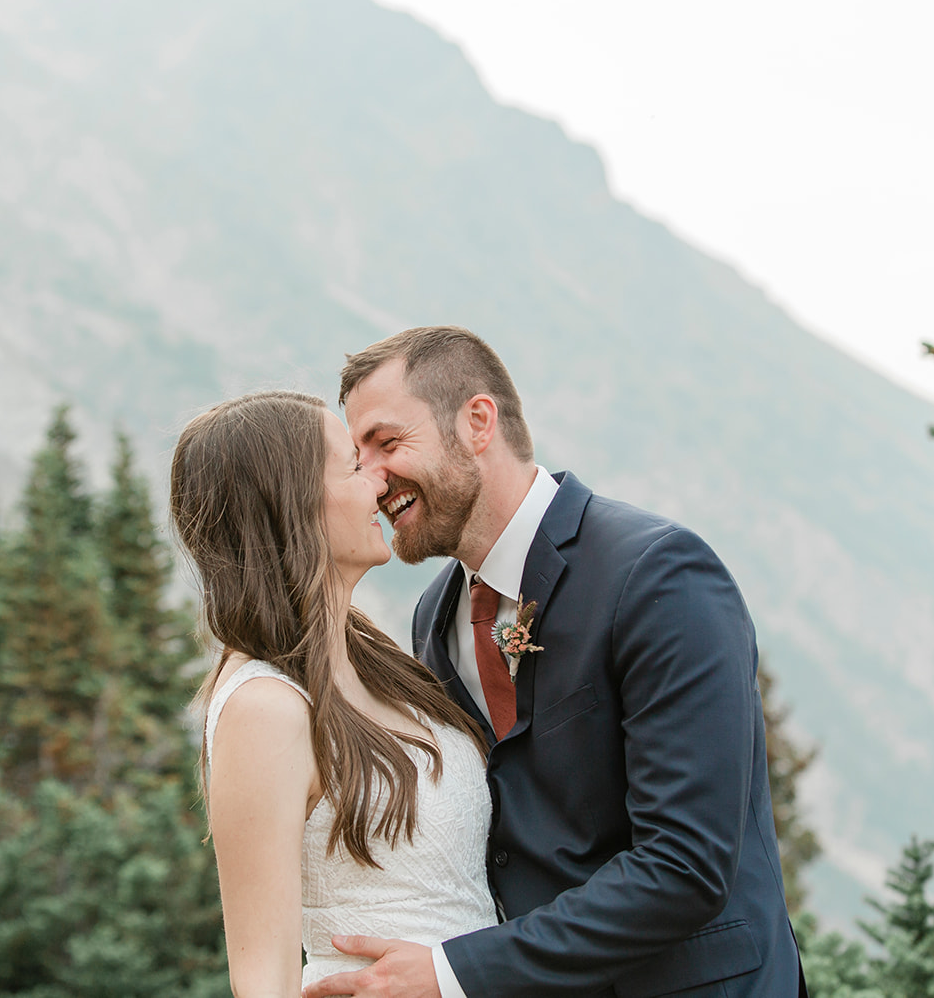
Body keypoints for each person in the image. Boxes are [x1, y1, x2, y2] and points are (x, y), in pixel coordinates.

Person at [303, 326, 805, 998]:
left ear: (478, 421)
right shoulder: (435, 615)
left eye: (388, 443)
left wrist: (453, 974)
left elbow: (685, 866)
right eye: (358, 454)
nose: (372, 477)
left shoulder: (658, 575)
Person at [169, 390, 498, 997]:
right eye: (352, 464)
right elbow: (261, 978)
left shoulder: (380, 660)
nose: (379, 481)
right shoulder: (263, 706)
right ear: (293, 506)